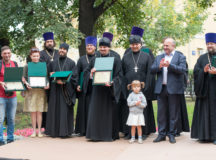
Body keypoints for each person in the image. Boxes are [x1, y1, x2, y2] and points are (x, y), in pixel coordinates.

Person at [83, 37, 122, 141]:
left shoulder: (116, 60)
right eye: (101, 47)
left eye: (104, 47)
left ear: (109, 48)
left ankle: (108, 135)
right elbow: (86, 73)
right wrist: (91, 73)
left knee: (108, 113)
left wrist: (112, 82)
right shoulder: (94, 59)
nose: (102, 49)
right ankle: (95, 135)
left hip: (109, 91)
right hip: (97, 92)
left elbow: (119, 76)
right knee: (95, 113)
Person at [121, 26, 156, 139]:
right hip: (129, 88)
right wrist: (125, 87)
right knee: (129, 109)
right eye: (132, 44)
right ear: (130, 45)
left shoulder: (146, 56)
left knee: (142, 110)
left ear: (140, 44)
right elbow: (122, 72)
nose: (134, 46)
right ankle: (128, 132)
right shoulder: (126, 56)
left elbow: (150, 72)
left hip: (142, 88)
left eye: (137, 44)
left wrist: (146, 86)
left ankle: (143, 132)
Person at [151, 37, 186, 144]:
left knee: (173, 113)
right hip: (161, 88)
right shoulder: (159, 57)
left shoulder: (180, 56)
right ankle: (161, 134)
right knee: (161, 113)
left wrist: (170, 66)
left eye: (167, 45)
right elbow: (152, 69)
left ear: (173, 46)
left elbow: (182, 70)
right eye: (164, 45)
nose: (165, 47)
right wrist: (159, 66)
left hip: (174, 89)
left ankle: (172, 134)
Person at [45, 43, 78, 137]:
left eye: (64, 49)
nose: (62, 50)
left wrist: (64, 81)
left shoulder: (72, 63)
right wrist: (51, 76)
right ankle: (53, 132)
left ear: (67, 51)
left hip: (66, 91)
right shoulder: (52, 63)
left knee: (64, 111)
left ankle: (65, 132)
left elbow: (74, 77)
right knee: (54, 110)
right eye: (60, 49)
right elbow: (47, 76)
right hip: (55, 91)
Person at [191, 33, 216, 144]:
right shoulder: (201, 58)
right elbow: (196, 73)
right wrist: (204, 72)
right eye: (207, 44)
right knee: (206, 113)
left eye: (211, 43)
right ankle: (204, 136)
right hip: (205, 91)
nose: (209, 45)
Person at [22, 47, 49, 138]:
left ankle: (40, 131)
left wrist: (47, 84)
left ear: (39, 56)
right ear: (30, 56)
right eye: (34, 56)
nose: (36, 58)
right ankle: (34, 131)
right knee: (33, 111)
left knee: (39, 112)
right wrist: (26, 83)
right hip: (31, 92)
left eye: (37, 56)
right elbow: (24, 78)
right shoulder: (27, 66)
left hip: (41, 91)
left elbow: (46, 77)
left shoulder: (43, 65)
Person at [75, 36, 97, 136]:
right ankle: (82, 130)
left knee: (93, 108)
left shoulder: (98, 58)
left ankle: (92, 129)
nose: (89, 47)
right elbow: (76, 73)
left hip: (95, 87)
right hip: (84, 87)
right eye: (87, 45)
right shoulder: (81, 59)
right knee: (83, 108)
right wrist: (77, 84)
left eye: (91, 45)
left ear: (95, 47)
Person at [39, 32, 59, 129]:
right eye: (48, 42)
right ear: (45, 43)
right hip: (46, 82)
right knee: (46, 103)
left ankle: (56, 124)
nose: (50, 43)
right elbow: (41, 67)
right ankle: (46, 126)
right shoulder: (41, 54)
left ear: (53, 42)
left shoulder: (58, 52)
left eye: (51, 41)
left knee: (57, 103)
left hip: (57, 82)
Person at [0, 46, 18, 146]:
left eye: (8, 53)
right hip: (1, 96)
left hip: (13, 96)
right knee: (0, 119)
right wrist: (1, 82)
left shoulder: (14, 64)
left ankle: (10, 138)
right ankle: (0, 139)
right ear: (2, 54)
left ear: (10, 54)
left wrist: (24, 82)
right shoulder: (0, 64)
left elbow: (19, 77)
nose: (7, 55)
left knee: (11, 118)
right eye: (5, 53)